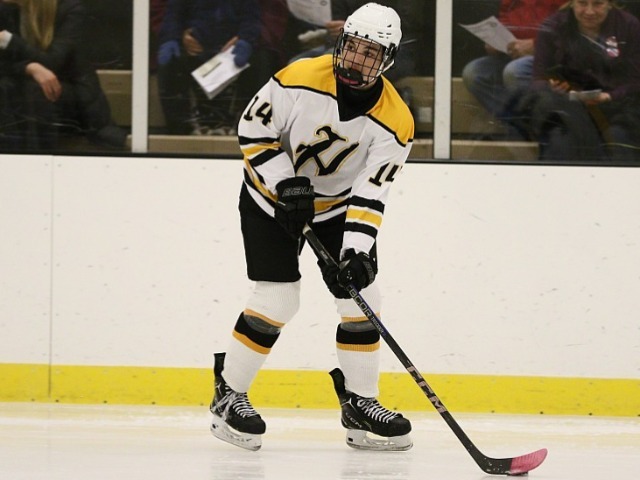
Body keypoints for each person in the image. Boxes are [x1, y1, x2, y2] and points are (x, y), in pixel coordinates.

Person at [209, 3, 414, 452]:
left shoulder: (396, 122)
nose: (357, 59)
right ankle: (228, 394)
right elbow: (253, 130)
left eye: (371, 53)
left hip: (336, 208)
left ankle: (360, 404)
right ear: (341, 43)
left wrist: (357, 250)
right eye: (353, 46)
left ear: (388, 60)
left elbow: (371, 192)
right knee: (278, 298)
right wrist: (285, 183)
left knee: (362, 299)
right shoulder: (299, 77)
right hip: (267, 198)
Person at [0, 0, 126, 151]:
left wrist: (9, 41)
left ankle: (35, 158)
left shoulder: (70, 10)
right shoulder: (5, 10)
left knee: (32, 91)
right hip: (19, 91)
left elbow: (54, 62)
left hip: (65, 94)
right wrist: (29, 68)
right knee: (7, 87)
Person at [528, 0, 640, 161]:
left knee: (619, 139)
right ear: (572, 3)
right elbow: (538, 78)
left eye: (597, 4)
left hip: (618, 107)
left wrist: (610, 96)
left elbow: (636, 79)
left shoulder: (629, 26)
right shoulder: (553, 26)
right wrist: (551, 86)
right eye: (582, 3)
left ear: (610, 4)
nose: (589, 11)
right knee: (560, 140)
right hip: (568, 108)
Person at [461, 0, 566, 138]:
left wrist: (536, 45)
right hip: (514, 53)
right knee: (474, 73)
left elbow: (570, 29)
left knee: (515, 71)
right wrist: (495, 40)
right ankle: (522, 125)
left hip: (550, 58)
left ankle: (545, 127)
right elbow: (506, 17)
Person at [155, 0, 260, 135]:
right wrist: (172, 38)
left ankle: (242, 126)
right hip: (194, 48)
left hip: (231, 51)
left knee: (259, 61)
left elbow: (251, 17)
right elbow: (173, 15)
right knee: (170, 63)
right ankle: (182, 131)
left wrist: (245, 39)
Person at [289, 0, 422, 85]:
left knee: (333, 65)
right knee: (295, 64)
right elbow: (337, 34)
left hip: (395, 50)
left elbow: (409, 24)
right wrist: (338, 31)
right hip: (347, 46)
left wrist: (361, 29)